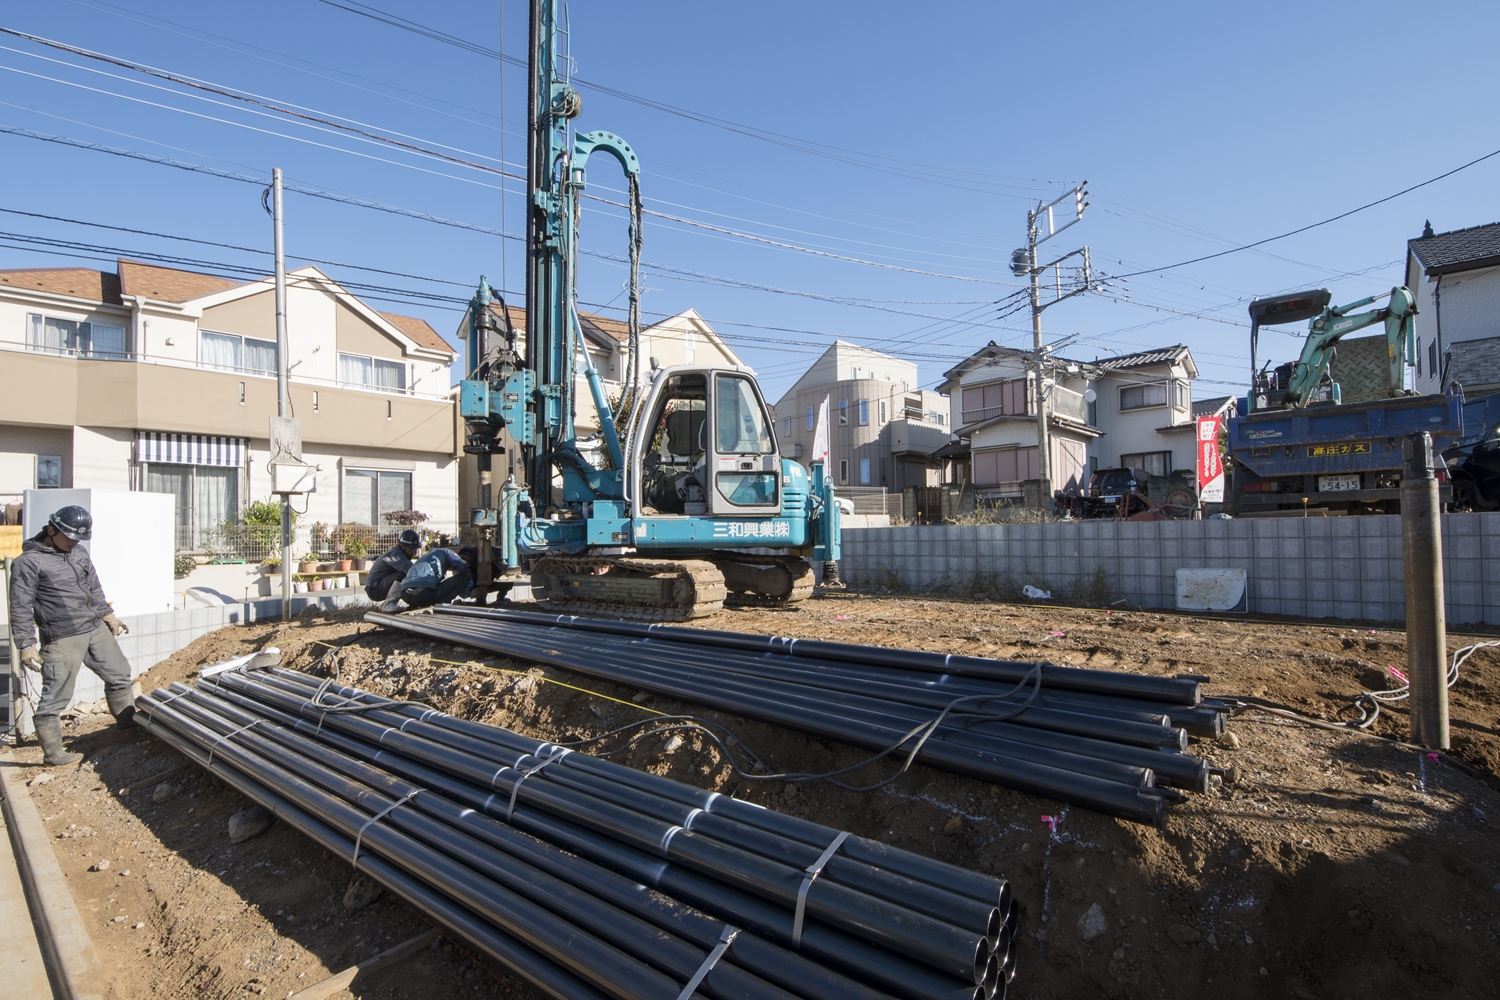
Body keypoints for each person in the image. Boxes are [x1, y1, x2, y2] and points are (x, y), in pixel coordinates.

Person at [8, 505, 135, 766]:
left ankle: (128, 726)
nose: (73, 542)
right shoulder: (28, 563)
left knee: (120, 674)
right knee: (55, 695)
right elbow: (20, 606)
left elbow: (93, 586)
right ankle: (54, 754)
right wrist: (26, 644)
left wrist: (107, 615)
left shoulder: (77, 552)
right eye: (69, 537)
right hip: (62, 635)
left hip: (94, 627)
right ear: (51, 529)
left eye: (78, 538)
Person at [381, 546, 476, 612]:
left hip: (406, 596)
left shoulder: (429, 555)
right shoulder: (448, 553)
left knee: (433, 584)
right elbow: (464, 569)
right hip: (423, 596)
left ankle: (416, 606)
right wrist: (468, 588)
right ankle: (442, 604)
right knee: (461, 578)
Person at [364, 528, 421, 603]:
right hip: (374, 589)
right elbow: (412, 570)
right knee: (405, 575)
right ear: (401, 545)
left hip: (381, 584)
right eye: (410, 549)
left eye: (415, 549)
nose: (413, 552)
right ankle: (389, 604)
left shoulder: (402, 553)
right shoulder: (395, 555)